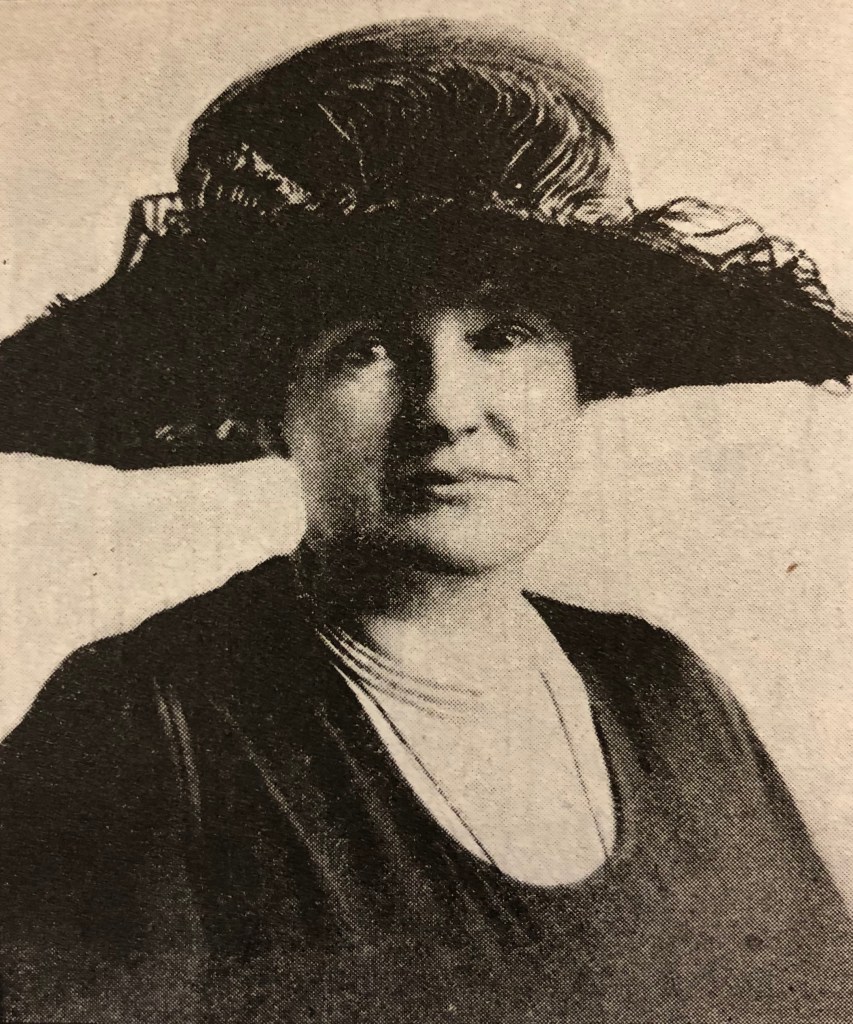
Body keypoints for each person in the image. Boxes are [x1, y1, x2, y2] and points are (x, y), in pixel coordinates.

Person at [1, 18, 852, 1024]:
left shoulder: (665, 693)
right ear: (271, 406)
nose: (446, 408)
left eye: (503, 336)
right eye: (364, 348)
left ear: (577, 381)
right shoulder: (142, 723)